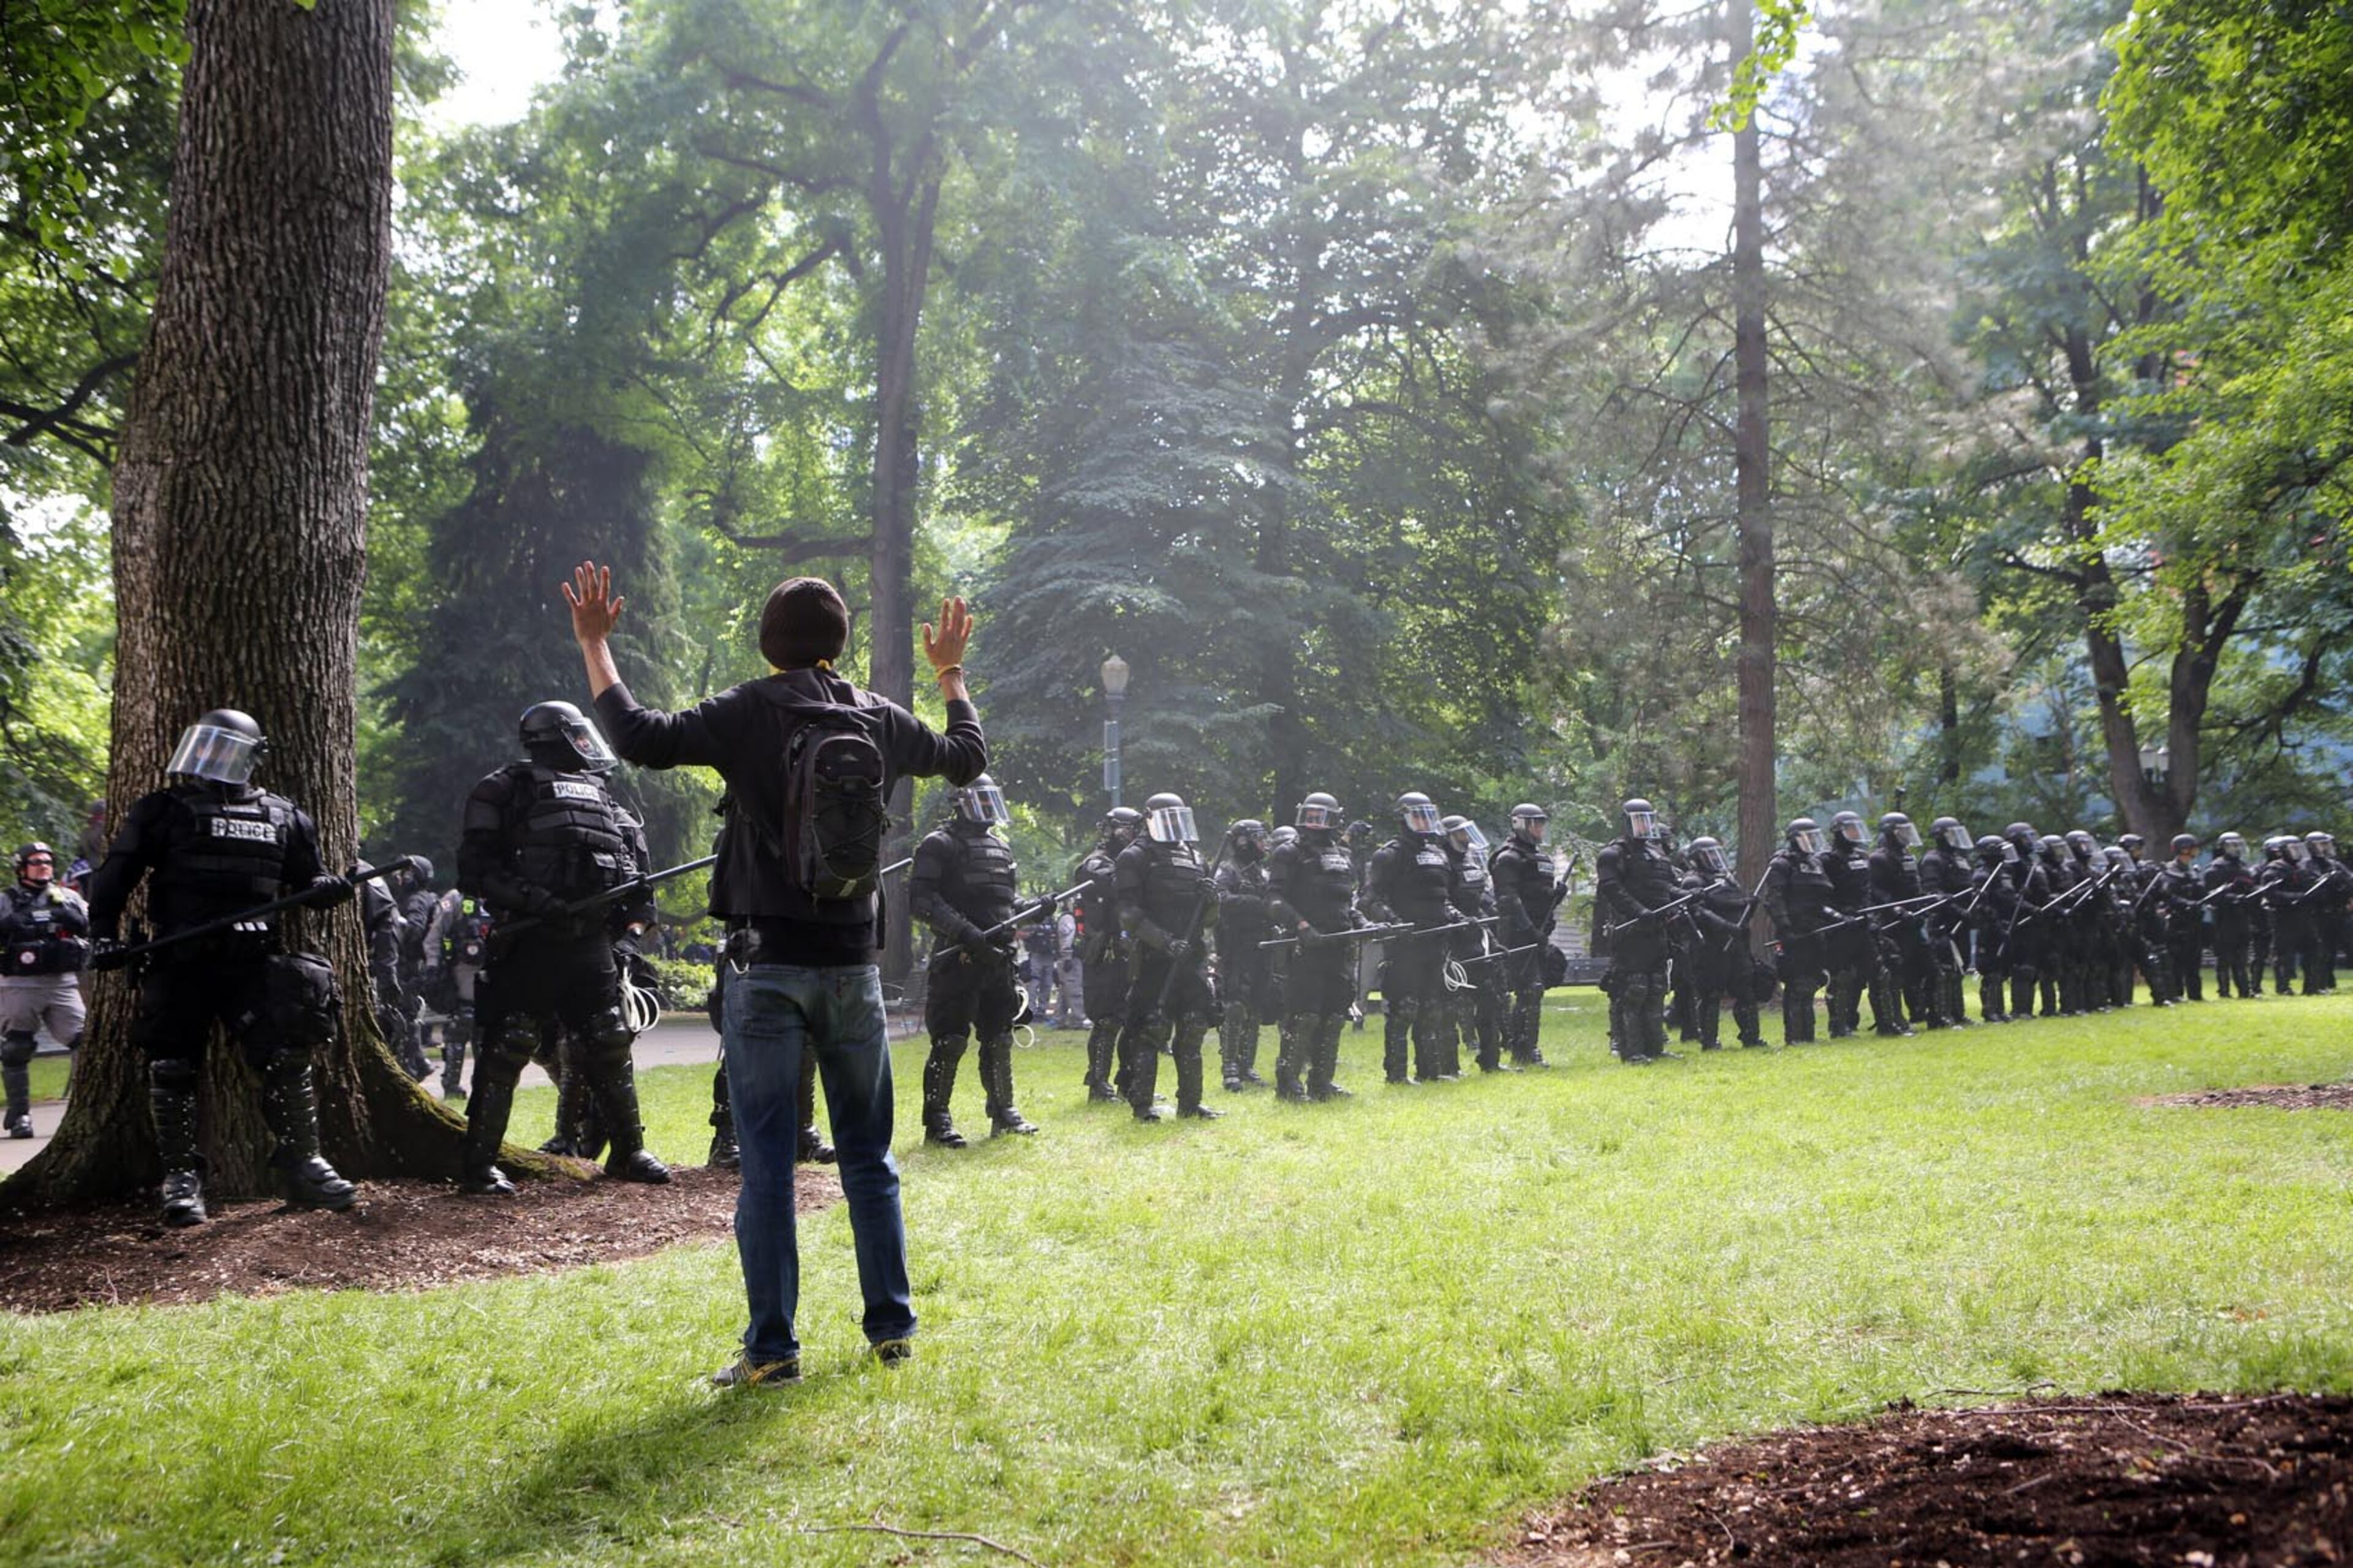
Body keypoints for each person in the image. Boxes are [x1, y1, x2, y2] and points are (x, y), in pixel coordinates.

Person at [572, 561, 986, 1386]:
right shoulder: (878, 714)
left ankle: (772, 1349)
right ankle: (892, 1329)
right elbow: (967, 757)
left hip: (766, 967)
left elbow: (640, 737)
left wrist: (595, 644)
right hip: (852, 971)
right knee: (870, 1157)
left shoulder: (749, 709)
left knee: (767, 1166)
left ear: (769, 643)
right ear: (841, 643)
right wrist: (949, 671)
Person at [86, 709, 358, 1225]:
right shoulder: (164, 810)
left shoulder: (284, 816)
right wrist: (101, 934)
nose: (213, 762)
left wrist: (330, 889)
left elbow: (310, 883)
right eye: (206, 749)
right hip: (180, 958)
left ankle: (304, 1163)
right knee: (172, 1066)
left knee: (285, 1060)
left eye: (226, 750)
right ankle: (181, 1177)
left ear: (255, 757)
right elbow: (116, 875)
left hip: (255, 964)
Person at [454, 698, 670, 1195]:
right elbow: (477, 870)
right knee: (509, 1046)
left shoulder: (606, 799)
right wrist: (536, 900)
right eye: (578, 735)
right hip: (529, 940)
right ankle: (479, 1162)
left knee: (610, 1042)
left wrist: (628, 930)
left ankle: (629, 1150)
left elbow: (635, 876)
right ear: (558, 737)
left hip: (591, 943)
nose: (588, 745)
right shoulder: (506, 787)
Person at [909, 775, 1037, 1145]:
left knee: (999, 1038)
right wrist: (964, 932)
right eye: (979, 800)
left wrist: (1034, 909)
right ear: (960, 802)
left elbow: (1004, 905)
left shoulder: (1000, 847)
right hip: (959, 958)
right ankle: (938, 1122)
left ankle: (1004, 1110)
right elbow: (922, 901)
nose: (986, 808)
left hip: (998, 959)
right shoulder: (938, 844)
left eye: (989, 800)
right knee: (950, 1041)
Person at [1113, 792, 1224, 1121]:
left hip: (1190, 958)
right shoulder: (1135, 856)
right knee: (1151, 1030)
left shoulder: (1194, 856)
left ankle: (1191, 1103)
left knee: (1193, 1028)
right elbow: (1128, 913)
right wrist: (1164, 942)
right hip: (1153, 958)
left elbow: (1209, 919)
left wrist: (1212, 899)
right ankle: (1142, 1104)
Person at [1265, 790, 1367, 1100]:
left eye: (1321, 818)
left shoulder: (1343, 856)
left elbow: (1346, 905)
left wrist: (1363, 924)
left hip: (1339, 947)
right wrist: (1301, 925)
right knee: (1304, 1016)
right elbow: (1273, 899)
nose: (1315, 824)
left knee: (1334, 1015)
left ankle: (1322, 1083)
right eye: (1310, 817)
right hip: (1305, 947)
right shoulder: (1289, 853)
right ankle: (1288, 1084)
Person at [1363, 792, 1461, 1082]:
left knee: (1432, 1008)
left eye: (1428, 815)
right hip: (1406, 944)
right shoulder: (1390, 855)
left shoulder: (1439, 854)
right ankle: (1397, 1074)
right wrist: (1395, 923)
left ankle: (1430, 1072)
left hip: (1436, 942)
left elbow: (1444, 897)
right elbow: (1369, 899)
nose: (1424, 822)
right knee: (1404, 1009)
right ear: (1404, 818)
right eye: (1417, 815)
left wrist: (1456, 917)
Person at [2, 842, 88, 1137]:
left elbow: (92, 927)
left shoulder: (67, 897)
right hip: (20, 983)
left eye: (48, 861)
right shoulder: (7, 900)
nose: (44, 866)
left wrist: (75, 921)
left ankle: (83, 1109)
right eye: (36, 861)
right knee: (17, 1047)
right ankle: (20, 1116)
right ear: (22, 867)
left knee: (84, 1041)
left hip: (62, 983)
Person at [1594, 797, 1686, 1062]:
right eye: (1639, 821)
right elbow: (1613, 890)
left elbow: (1665, 886)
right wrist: (1638, 911)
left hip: (1656, 929)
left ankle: (1655, 1048)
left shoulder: (1655, 854)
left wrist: (1686, 895)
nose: (1644, 827)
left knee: (1657, 987)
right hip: (1630, 930)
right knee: (1634, 991)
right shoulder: (1614, 854)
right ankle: (1631, 1050)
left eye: (1648, 821)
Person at [1071, 808, 1142, 1101]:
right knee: (1107, 1019)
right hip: (1105, 951)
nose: (1133, 835)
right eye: (1127, 830)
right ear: (1111, 830)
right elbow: (1115, 886)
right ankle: (1098, 1084)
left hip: (1132, 949)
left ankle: (1130, 1081)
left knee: (1136, 1017)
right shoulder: (1096, 864)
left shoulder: (1131, 863)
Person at [1486, 804, 1561, 1067]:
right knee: (1528, 989)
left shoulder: (1541, 858)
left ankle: (1528, 1047)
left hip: (1539, 932)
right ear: (1520, 824)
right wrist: (1529, 930)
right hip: (1518, 933)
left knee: (1535, 991)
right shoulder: (1508, 857)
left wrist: (1556, 897)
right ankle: (1522, 1050)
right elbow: (1509, 898)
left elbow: (1538, 895)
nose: (1540, 829)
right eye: (1535, 823)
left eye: (1542, 824)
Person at [1680, 836, 1767, 1049]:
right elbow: (1699, 912)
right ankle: (1709, 1041)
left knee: (1745, 991)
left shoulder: (1729, 879)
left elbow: (1739, 909)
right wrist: (1726, 928)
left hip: (1737, 945)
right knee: (1711, 994)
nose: (1715, 859)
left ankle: (1751, 1037)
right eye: (1708, 855)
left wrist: (1750, 906)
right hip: (1711, 947)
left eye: (1716, 853)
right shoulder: (1694, 882)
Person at [1213, 819, 1276, 1091]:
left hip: (1262, 946)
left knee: (1255, 1007)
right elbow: (1220, 900)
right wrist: (1254, 904)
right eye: (1259, 838)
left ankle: (1247, 1065)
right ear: (1243, 841)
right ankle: (1230, 1066)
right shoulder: (1228, 870)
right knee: (1236, 1006)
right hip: (1236, 947)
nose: (1264, 844)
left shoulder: (1262, 873)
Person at [1764, 817, 1835, 1043]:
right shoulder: (1782, 864)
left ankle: (1808, 1035)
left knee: (1812, 982)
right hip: (1794, 932)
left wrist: (1835, 917)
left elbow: (1823, 896)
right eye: (1808, 836)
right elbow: (1774, 898)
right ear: (1795, 839)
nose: (1813, 841)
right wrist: (1785, 928)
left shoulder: (1815, 863)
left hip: (1816, 930)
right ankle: (1794, 1036)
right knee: (1796, 985)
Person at [1918, 817, 1976, 1026]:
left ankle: (1957, 1013)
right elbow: (1933, 892)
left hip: (1963, 920)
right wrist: (1956, 910)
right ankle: (1940, 1015)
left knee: (1961, 967)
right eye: (1952, 834)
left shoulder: (1960, 859)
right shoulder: (1932, 860)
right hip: (1943, 921)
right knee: (1945, 969)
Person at [2203, 831, 2259, 998]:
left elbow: (2251, 888)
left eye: (2237, 845)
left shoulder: (2244, 867)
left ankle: (2244, 990)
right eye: (2232, 845)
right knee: (2225, 957)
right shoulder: (2215, 869)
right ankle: (2224, 991)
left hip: (2242, 917)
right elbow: (2211, 896)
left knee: (2242, 958)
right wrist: (2232, 898)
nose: (2236, 849)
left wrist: (2252, 896)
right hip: (2224, 918)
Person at [2158, 835, 2207, 1001]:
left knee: (2194, 959)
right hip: (2177, 921)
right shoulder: (2169, 871)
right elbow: (2167, 896)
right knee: (2176, 960)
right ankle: (2176, 993)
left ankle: (2196, 995)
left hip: (2194, 921)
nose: (2196, 850)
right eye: (2193, 847)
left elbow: (2201, 893)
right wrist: (2185, 903)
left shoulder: (2193, 871)